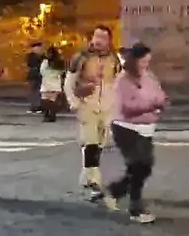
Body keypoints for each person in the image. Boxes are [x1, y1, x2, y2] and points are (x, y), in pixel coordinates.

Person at [105, 42, 165, 224]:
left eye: (148, 61)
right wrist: (151, 105)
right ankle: (135, 209)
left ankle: (115, 191)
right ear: (134, 61)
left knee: (143, 167)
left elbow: (161, 96)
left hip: (146, 128)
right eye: (143, 61)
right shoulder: (123, 80)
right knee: (140, 166)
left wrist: (157, 102)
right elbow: (128, 107)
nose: (146, 65)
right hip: (126, 128)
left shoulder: (149, 77)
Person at [64, 25, 120, 201]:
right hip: (87, 105)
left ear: (109, 40)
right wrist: (73, 100)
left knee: (100, 143)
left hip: (107, 106)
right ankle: (94, 182)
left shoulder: (114, 58)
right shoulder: (81, 57)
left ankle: (86, 177)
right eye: (96, 36)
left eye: (103, 37)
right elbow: (69, 81)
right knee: (91, 143)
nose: (98, 40)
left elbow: (118, 81)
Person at [38, 46, 66, 123]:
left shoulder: (45, 62)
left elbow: (42, 71)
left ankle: (46, 115)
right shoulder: (59, 62)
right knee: (52, 100)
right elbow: (62, 72)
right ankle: (52, 115)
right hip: (55, 84)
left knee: (45, 100)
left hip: (46, 83)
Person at [26, 42, 45, 114]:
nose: (40, 49)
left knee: (40, 91)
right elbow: (30, 64)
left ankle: (39, 106)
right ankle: (34, 106)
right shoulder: (31, 56)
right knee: (33, 91)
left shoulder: (43, 56)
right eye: (38, 48)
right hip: (33, 76)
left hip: (41, 76)